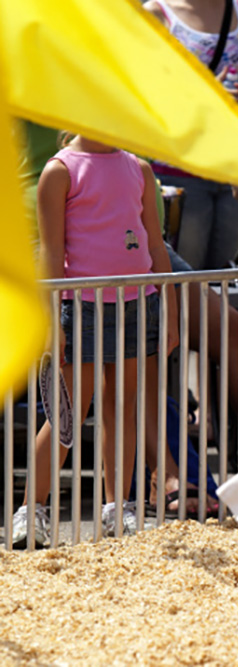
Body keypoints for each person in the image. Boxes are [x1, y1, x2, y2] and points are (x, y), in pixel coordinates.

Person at [11, 134, 180, 549]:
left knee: (121, 409)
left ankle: (115, 507)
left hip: (136, 304)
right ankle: (31, 510)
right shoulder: (60, 170)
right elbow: (51, 254)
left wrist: (170, 312)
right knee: (66, 414)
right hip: (81, 307)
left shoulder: (139, 168)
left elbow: (156, 246)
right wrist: (53, 323)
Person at [144, 0, 238, 270]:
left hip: (237, 172)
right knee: (186, 285)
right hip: (180, 168)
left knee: (232, 283)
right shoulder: (156, 12)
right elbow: (141, 95)